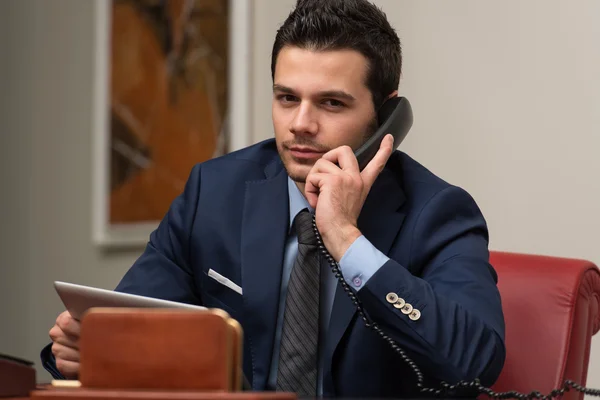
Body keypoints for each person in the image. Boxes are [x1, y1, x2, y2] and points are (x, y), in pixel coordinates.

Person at [43, 0, 506, 397]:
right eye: (287, 98)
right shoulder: (214, 192)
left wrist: (346, 239)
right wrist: (90, 348)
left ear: (385, 115)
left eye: (331, 103)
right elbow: (125, 323)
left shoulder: (438, 213)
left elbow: (475, 361)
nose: (300, 124)